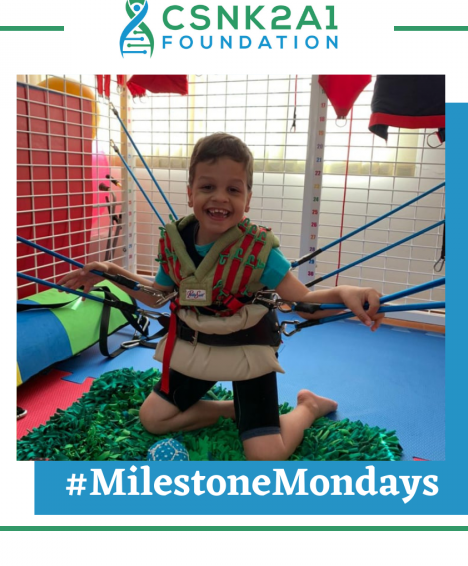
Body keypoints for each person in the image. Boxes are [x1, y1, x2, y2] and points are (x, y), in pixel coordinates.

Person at [59, 133, 384, 461]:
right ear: (190, 193)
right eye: (207, 187)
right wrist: (108, 271)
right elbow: (158, 296)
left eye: (233, 189)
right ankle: (236, 411)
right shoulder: (176, 244)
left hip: (247, 350)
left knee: (265, 456)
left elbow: (304, 304)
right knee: (153, 418)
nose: (220, 198)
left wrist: (346, 293)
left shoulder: (260, 252)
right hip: (195, 347)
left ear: (248, 198)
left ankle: (308, 407)